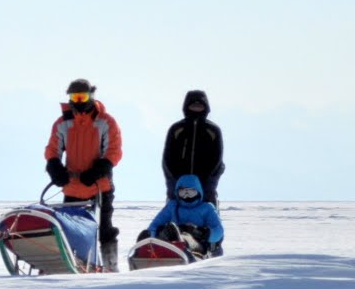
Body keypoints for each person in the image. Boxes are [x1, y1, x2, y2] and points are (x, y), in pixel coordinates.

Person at [44, 78, 124, 270]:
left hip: (100, 187)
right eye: (74, 97)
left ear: (91, 96)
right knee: (71, 231)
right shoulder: (62, 123)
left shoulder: (106, 122)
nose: (78, 101)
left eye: (83, 96)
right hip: (72, 188)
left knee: (105, 230)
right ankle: (75, 265)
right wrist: (55, 168)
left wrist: (98, 171)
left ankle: (110, 267)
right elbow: (52, 150)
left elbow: (114, 151)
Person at [138, 173, 225, 257]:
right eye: (182, 192)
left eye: (190, 192)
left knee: (185, 238)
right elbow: (155, 225)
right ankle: (144, 248)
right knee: (164, 231)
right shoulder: (172, 206)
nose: (186, 196)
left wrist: (205, 233)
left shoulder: (207, 208)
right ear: (177, 192)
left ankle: (177, 242)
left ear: (198, 192)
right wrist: (152, 233)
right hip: (170, 238)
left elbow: (218, 230)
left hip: (196, 243)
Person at [161, 89, 224, 204]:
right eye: (193, 105)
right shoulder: (177, 129)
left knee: (207, 205)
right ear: (186, 106)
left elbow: (217, 157)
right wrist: (174, 177)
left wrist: (208, 178)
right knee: (175, 205)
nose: (196, 107)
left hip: (206, 179)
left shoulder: (213, 130)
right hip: (178, 178)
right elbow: (168, 156)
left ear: (206, 107)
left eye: (200, 105)